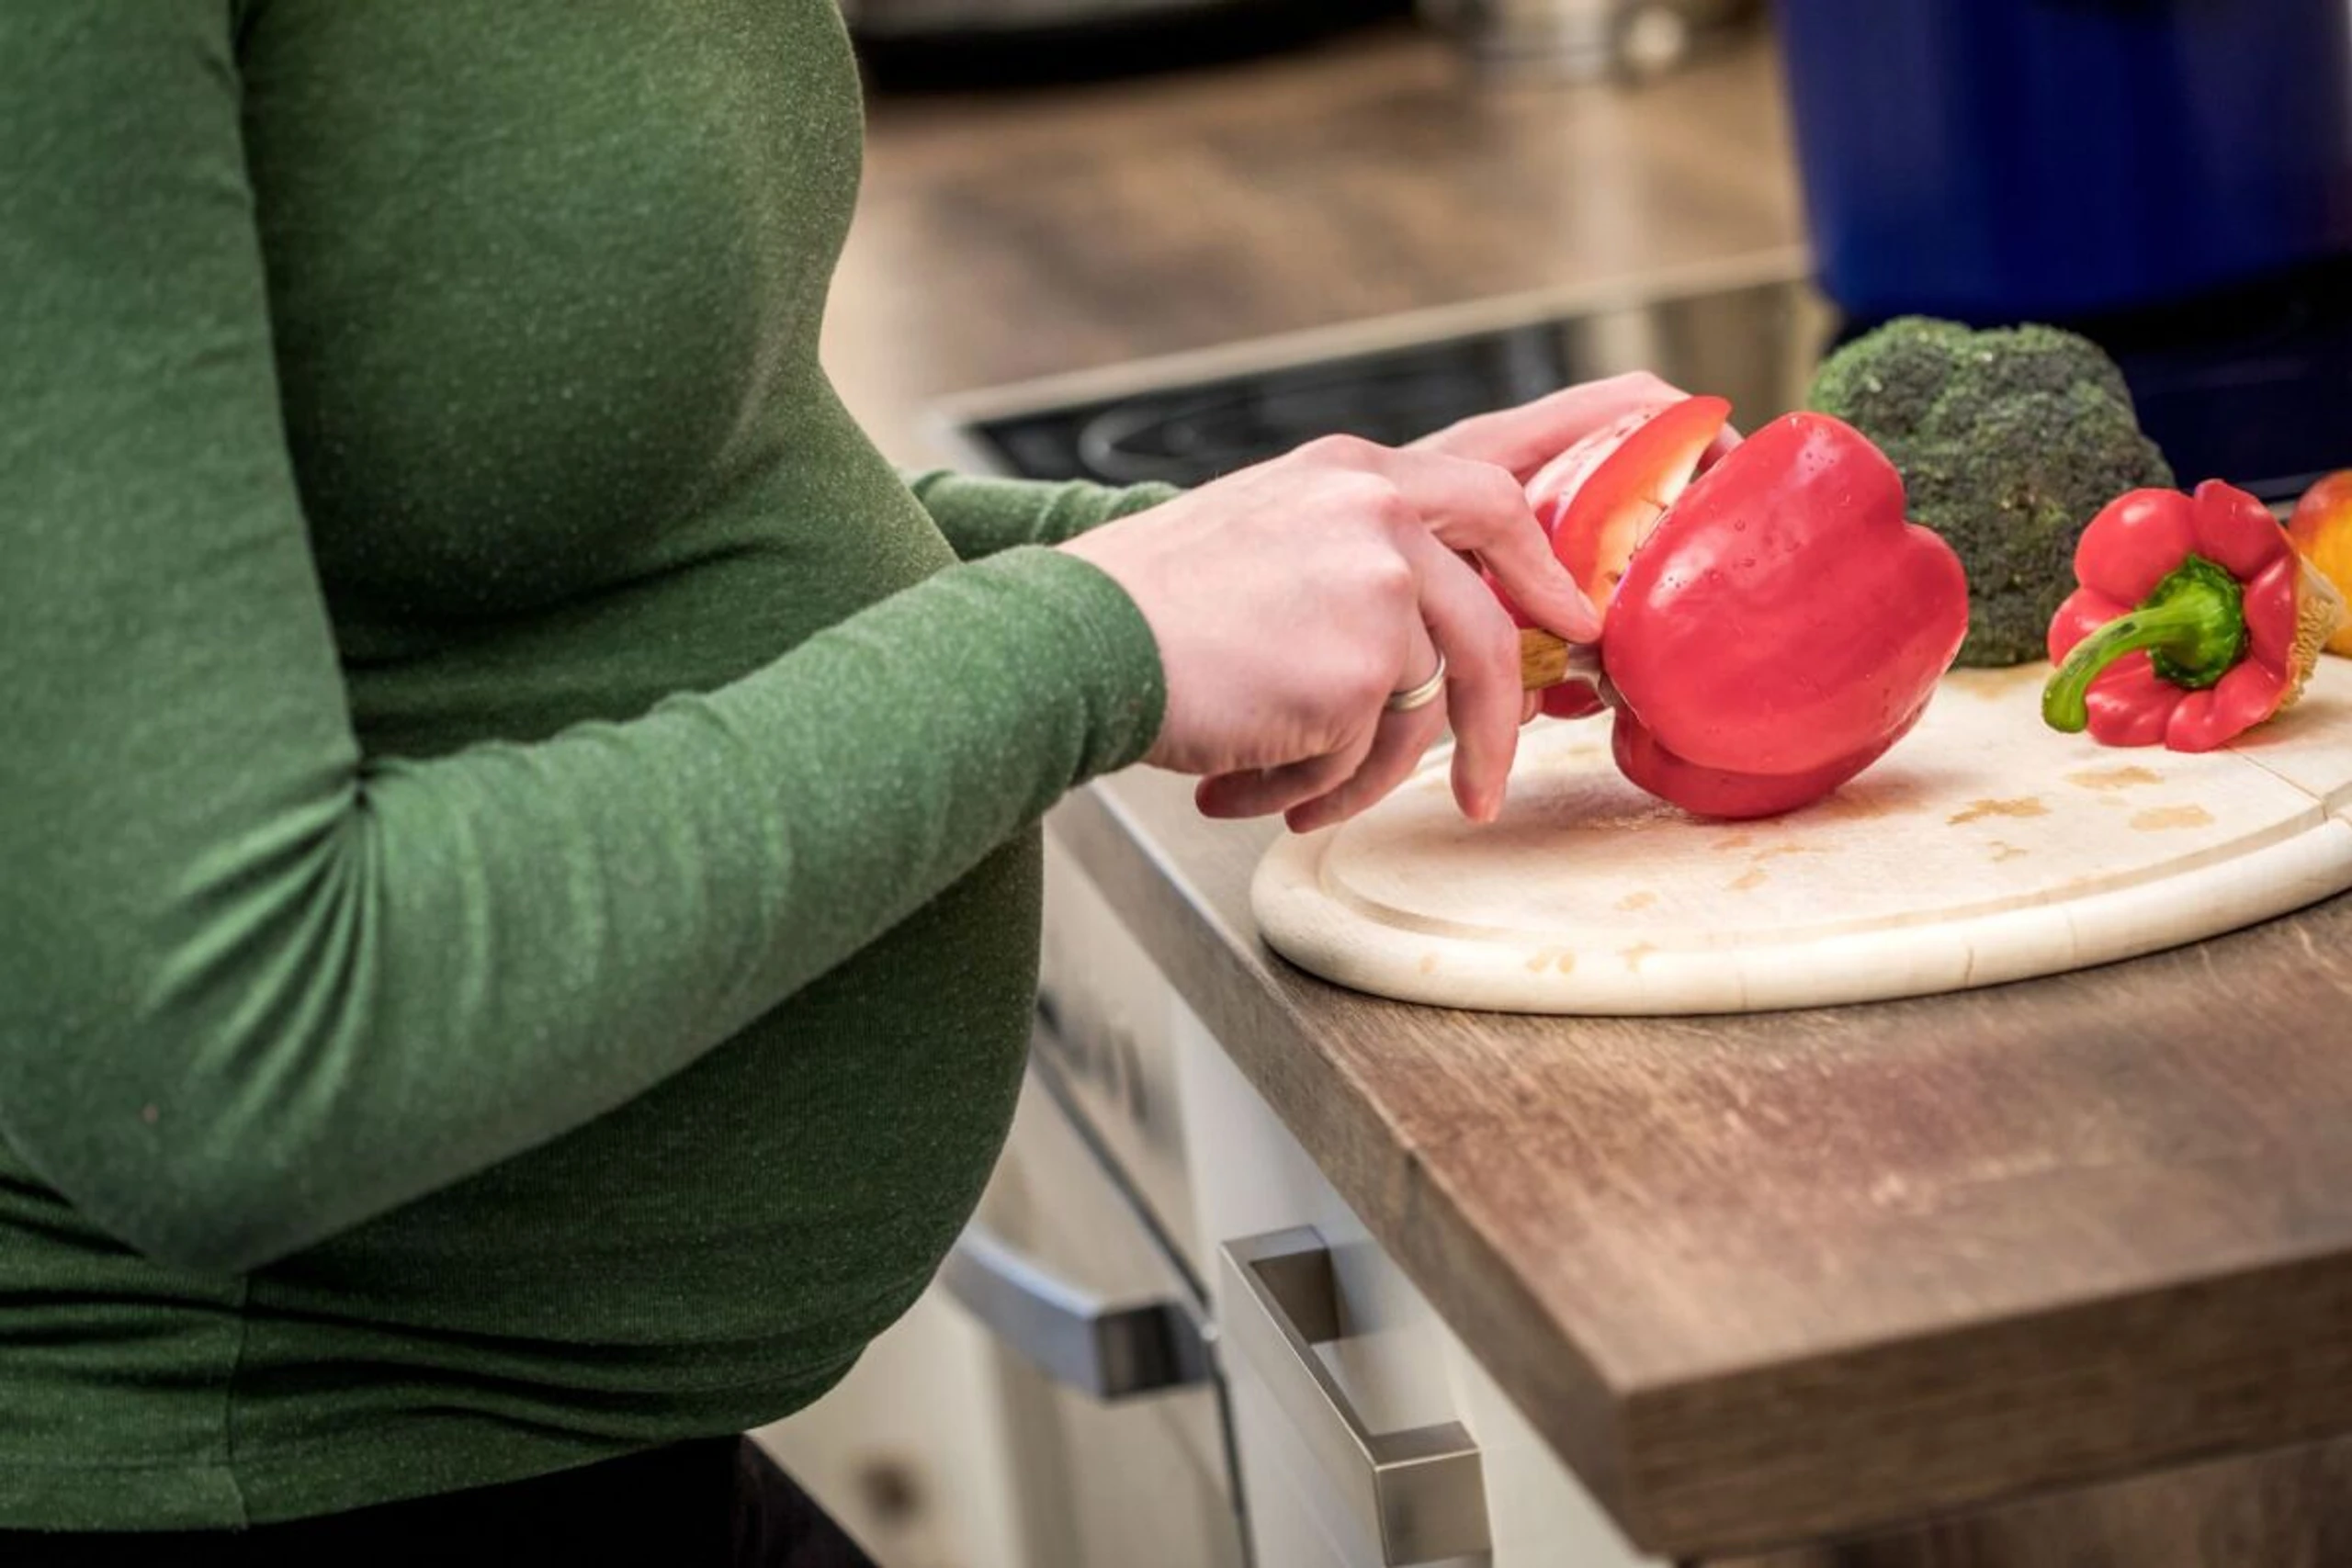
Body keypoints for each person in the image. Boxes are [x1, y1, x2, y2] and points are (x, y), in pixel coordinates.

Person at [0, 5, 1694, 1563]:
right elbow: (218, 1050)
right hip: (280, 1470)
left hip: (583, 1464)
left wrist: (1211, 565)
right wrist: (1089, 642)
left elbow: (599, 510)